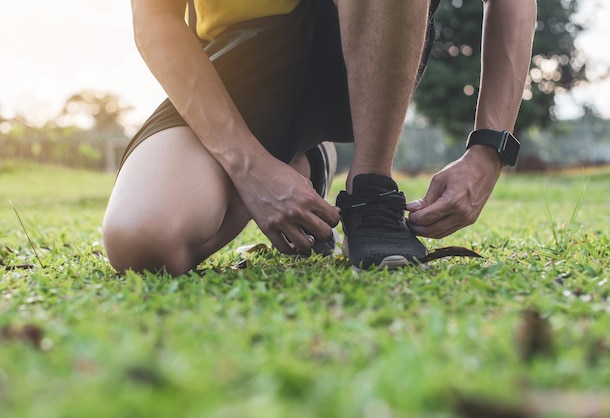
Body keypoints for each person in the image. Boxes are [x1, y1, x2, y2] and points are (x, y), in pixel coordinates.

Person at [102, 0, 537, 275]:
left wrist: (488, 150)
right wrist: (248, 166)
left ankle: (371, 193)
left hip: (368, 39)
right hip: (238, 62)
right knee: (143, 241)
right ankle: (304, 162)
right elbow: (154, 17)